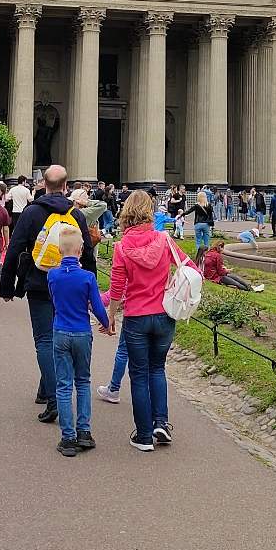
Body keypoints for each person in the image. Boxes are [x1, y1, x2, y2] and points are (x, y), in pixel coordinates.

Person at [103, 189, 200, 452]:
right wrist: (171, 283)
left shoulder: (122, 247)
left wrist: (110, 316)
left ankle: (144, 435)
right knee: (157, 369)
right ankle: (161, 423)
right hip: (164, 315)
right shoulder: (164, 240)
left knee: (138, 375)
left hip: (136, 317)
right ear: (150, 210)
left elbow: (117, 287)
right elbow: (191, 269)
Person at [1, 163, 96, 424]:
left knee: (44, 340)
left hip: (39, 283)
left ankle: (54, 397)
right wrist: (90, 288)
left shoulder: (32, 213)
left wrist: (7, 286)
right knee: (57, 335)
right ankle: (47, 390)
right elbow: (87, 252)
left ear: (43, 184)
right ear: (66, 186)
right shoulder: (75, 215)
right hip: (69, 286)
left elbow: (15, 248)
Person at [48, 225, 112, 456]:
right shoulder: (87, 277)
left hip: (61, 330)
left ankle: (68, 437)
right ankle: (84, 431)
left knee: (64, 385)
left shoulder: (52, 275)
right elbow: (96, 306)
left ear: (58, 249)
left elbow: (54, 301)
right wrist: (107, 324)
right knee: (83, 381)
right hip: (82, 332)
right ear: (81, 249)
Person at [187, 190, 213, 257]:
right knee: (206, 240)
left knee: (198, 240)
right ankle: (207, 254)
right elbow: (210, 215)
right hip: (206, 224)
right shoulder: (208, 205)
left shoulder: (196, 205)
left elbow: (189, 211)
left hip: (198, 224)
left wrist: (182, 214)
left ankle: (199, 255)